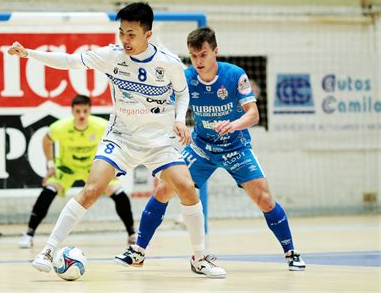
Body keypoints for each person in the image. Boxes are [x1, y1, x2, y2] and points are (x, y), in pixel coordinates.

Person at [8, 2, 225, 278]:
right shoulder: (112, 56)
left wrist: (180, 119)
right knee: (92, 188)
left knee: (187, 188)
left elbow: (183, 94)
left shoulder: (168, 62)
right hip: (121, 138)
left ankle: (200, 258)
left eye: (131, 34)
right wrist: (29, 54)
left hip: (159, 141)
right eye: (121, 32)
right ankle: (48, 249)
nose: (125, 39)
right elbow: (71, 61)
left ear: (148, 33)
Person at [115, 26, 306, 272]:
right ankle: (138, 252)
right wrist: (178, 123)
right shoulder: (185, 77)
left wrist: (233, 125)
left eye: (203, 55)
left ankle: (291, 252)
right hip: (201, 147)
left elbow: (254, 115)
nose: (198, 61)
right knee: (164, 189)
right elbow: (172, 108)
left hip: (235, 146)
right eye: (193, 56)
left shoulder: (235, 75)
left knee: (264, 198)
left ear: (215, 51)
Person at [18, 95, 137, 249]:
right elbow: (46, 141)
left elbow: (119, 140)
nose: (81, 115)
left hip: (93, 169)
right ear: (72, 111)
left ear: (90, 110)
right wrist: (51, 165)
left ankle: (132, 234)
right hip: (66, 169)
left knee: (118, 192)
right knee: (49, 190)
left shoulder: (101, 125)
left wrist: (114, 165)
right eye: (78, 111)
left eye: (85, 111)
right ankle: (28, 234)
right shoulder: (59, 127)